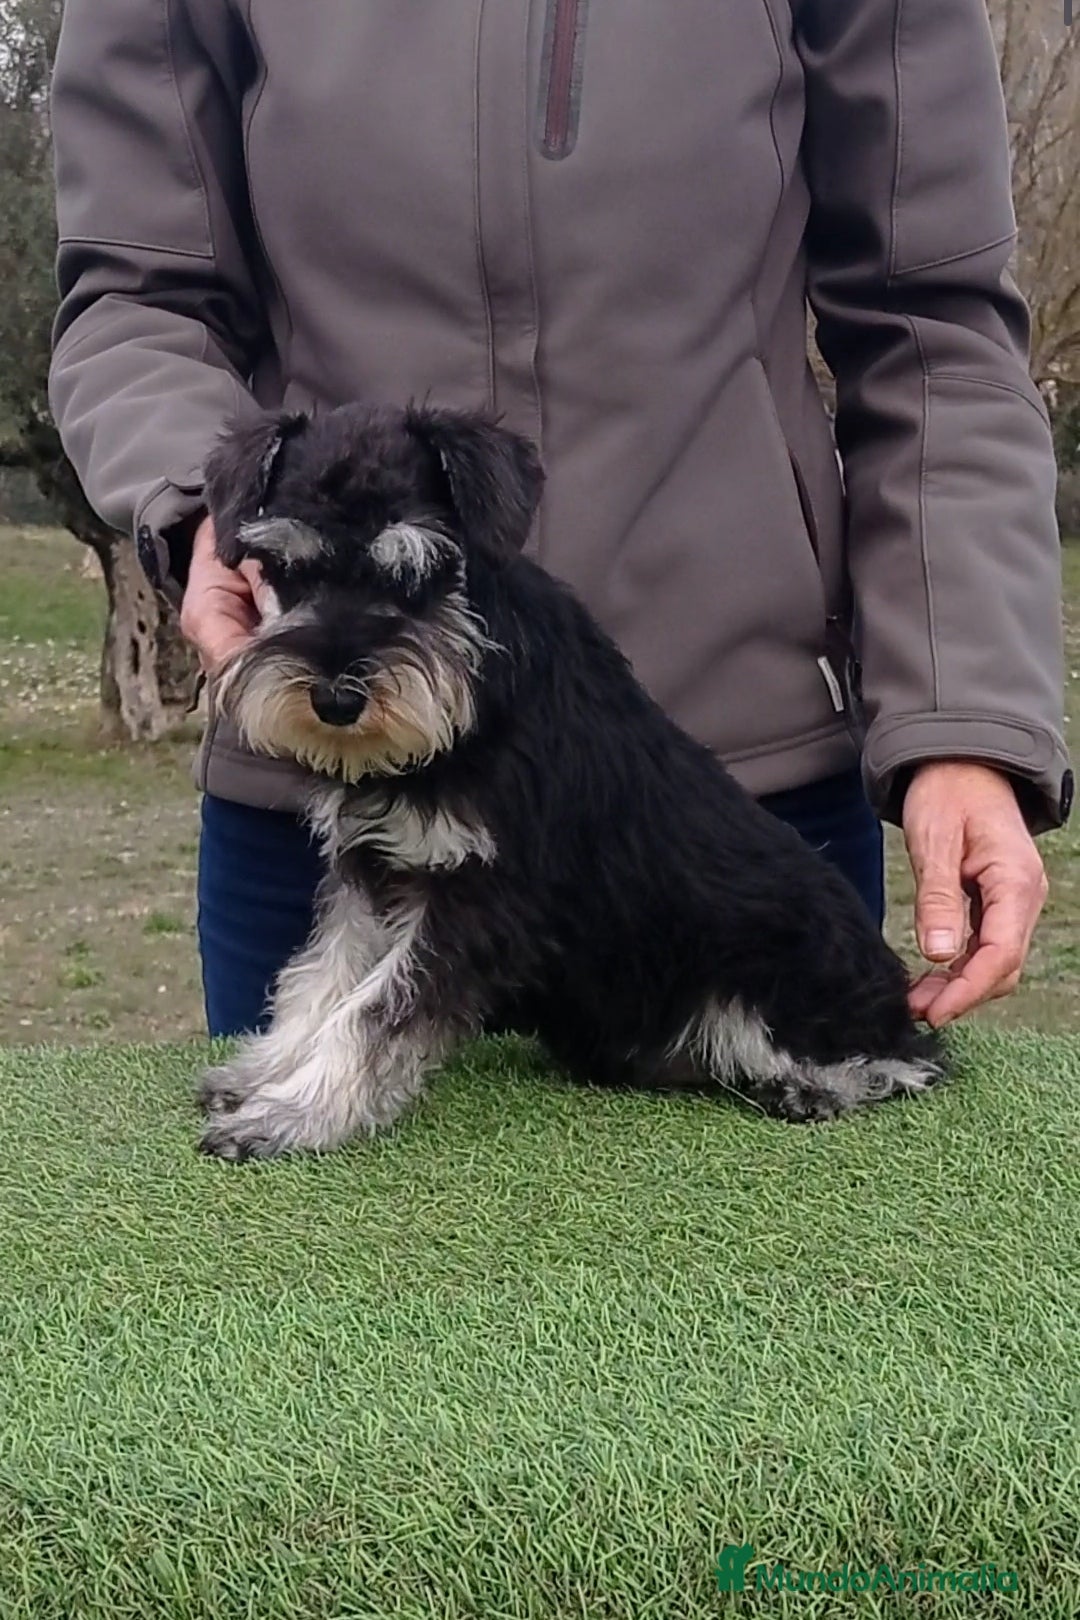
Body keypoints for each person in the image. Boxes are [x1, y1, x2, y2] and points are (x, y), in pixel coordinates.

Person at [49, 0, 1072, 1043]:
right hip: (328, 802)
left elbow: (931, 331)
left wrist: (962, 714)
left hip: (723, 822)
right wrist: (206, 508)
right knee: (293, 1144)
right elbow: (140, 295)